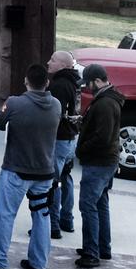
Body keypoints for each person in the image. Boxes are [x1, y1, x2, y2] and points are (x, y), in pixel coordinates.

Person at [0, 64, 61, 269]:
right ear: (47, 83)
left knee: (5, 214)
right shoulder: (56, 105)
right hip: (45, 173)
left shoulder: (15, 103)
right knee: (42, 216)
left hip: (16, 171)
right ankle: (39, 263)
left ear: (26, 81)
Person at [75, 63, 125, 269]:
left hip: (99, 162)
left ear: (97, 81)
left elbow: (102, 138)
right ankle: (103, 248)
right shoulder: (109, 99)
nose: (86, 88)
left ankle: (91, 253)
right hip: (108, 162)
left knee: (88, 205)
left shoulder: (105, 104)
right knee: (100, 204)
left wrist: (81, 149)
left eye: (88, 83)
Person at [46, 50, 82, 238]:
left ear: (62, 65)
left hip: (60, 138)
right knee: (66, 176)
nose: (48, 62)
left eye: (52, 60)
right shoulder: (75, 82)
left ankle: (52, 224)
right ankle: (67, 219)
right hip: (70, 137)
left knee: (54, 180)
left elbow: (54, 116)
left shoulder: (59, 85)